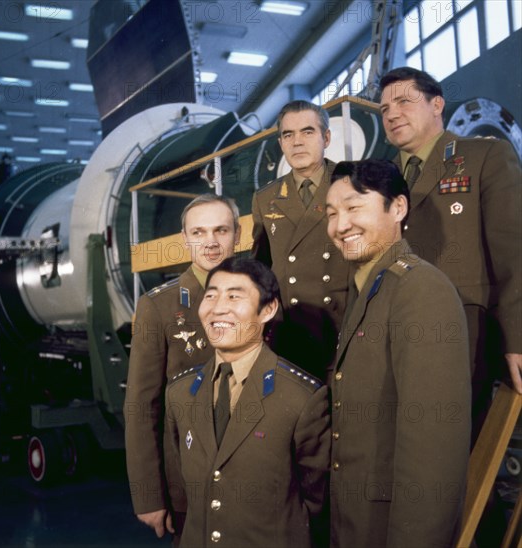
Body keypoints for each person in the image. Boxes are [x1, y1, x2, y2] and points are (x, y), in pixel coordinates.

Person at [325, 159, 471, 548]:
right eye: (332, 213)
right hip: (354, 521)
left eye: (355, 207)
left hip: (391, 527)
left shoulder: (419, 289)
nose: (341, 225)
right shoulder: (367, 289)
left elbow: (433, 448)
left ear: (399, 208)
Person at [379, 67, 522, 411]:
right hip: (391, 331)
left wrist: (517, 337)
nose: (392, 114)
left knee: (458, 450)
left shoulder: (483, 156)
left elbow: (513, 252)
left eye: (403, 101)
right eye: (384, 109)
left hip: (465, 330)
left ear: (437, 104)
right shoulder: (379, 177)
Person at [165, 257, 330, 547]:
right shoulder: (180, 392)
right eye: (211, 295)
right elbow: (183, 490)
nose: (218, 308)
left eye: (234, 296)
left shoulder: (301, 397)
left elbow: (315, 500)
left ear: (268, 309)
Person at [123, 194, 241, 540]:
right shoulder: (158, 306)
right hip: (190, 479)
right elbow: (141, 405)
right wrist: (148, 496)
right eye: (199, 232)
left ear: (237, 234)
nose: (211, 242)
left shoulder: (261, 293)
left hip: (258, 478)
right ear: (185, 239)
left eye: (221, 230)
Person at [251, 100, 349, 376]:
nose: (297, 143)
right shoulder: (266, 198)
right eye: (288, 135)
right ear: (281, 143)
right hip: (291, 334)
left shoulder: (351, 182)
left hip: (343, 326)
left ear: (326, 137)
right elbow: (261, 271)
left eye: (307, 132)